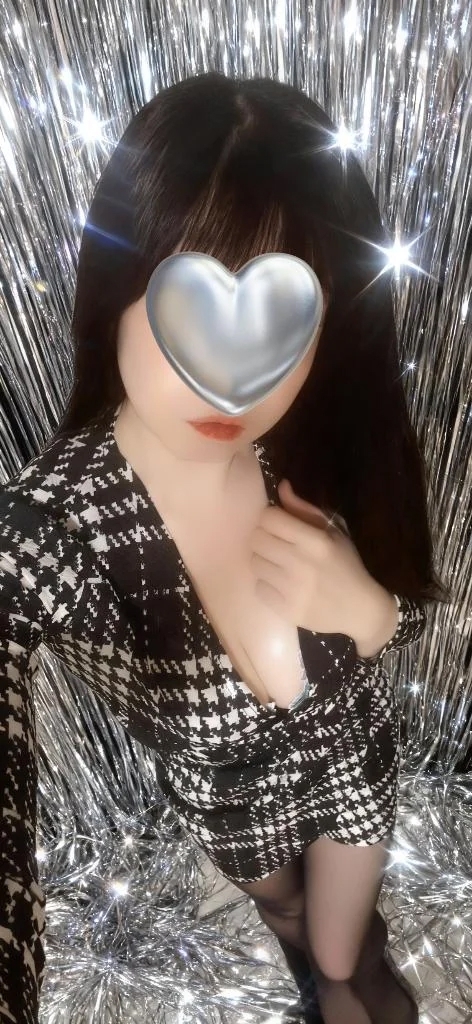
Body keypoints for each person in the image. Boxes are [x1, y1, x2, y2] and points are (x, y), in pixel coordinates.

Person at [0, 71, 449, 1024]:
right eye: (187, 313)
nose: (229, 381)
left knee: (346, 955)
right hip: (242, 822)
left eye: (281, 323)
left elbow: (403, 598)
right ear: (118, 292)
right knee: (298, 933)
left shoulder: (320, 439)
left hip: (356, 768)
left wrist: (372, 612)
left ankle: (350, 976)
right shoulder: (58, 526)